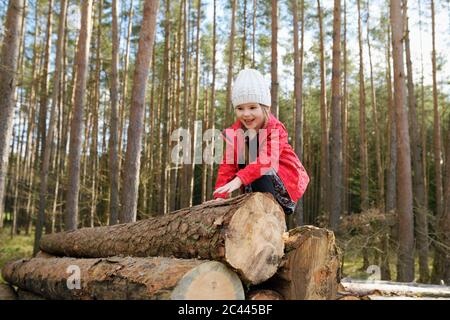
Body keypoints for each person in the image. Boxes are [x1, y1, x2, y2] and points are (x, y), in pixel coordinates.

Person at [213, 69, 310, 215]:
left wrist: (239, 179)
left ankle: (272, 218)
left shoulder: (275, 129)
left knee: (257, 158)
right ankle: (258, 216)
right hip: (252, 187)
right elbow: (227, 166)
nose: (246, 114)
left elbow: (267, 160)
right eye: (240, 108)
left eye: (252, 107)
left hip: (282, 188)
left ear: (265, 108)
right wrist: (220, 196)